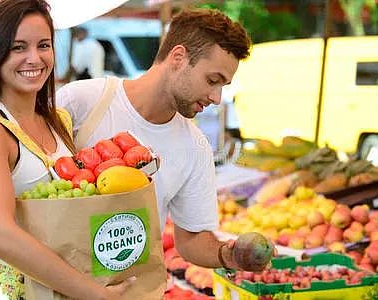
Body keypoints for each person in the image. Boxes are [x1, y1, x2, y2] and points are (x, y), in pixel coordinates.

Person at [0, 0, 129, 299]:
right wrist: (91, 292)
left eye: (44, 45)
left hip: (62, 289)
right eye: (18, 47)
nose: (34, 58)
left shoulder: (56, 120)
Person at [57, 9, 253, 270]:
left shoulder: (195, 147)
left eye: (222, 87)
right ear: (179, 58)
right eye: (212, 80)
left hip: (127, 287)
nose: (216, 98)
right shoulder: (79, 102)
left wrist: (227, 255)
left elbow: (191, 240)